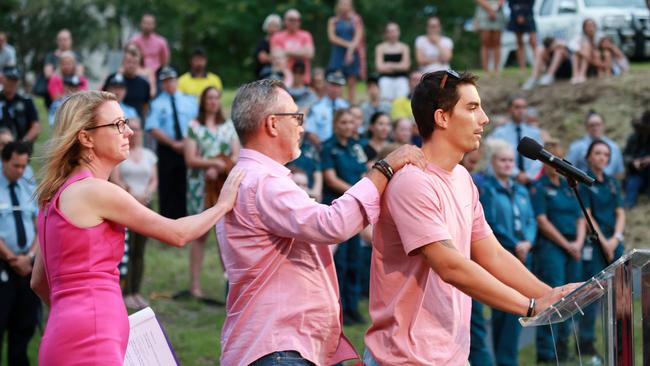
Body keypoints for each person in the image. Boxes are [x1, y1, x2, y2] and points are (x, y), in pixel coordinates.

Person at [363, 70, 578, 365]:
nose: (485, 118)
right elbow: (449, 265)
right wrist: (529, 306)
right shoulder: (413, 182)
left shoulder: (463, 178)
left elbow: (492, 254)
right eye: (473, 108)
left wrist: (552, 296)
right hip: (405, 356)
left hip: (450, 354)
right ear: (442, 118)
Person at [217, 79, 425, 365]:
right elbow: (332, 225)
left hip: (284, 346)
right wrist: (384, 169)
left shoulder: (257, 177)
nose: (302, 127)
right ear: (272, 124)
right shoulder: (263, 182)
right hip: (278, 348)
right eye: (297, 117)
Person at [29, 90, 243, 365]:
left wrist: (77, 313)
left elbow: (38, 282)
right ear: (86, 138)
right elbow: (177, 234)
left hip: (63, 333)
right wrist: (222, 205)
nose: (129, 131)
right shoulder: (96, 191)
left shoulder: (54, 196)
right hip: (93, 337)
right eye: (118, 124)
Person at [480, 140, 537, 366]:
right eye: (502, 160)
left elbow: (531, 219)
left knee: (521, 311)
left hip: (525, 254)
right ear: (492, 162)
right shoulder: (488, 190)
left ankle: (510, 359)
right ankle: (504, 360)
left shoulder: (521, 189)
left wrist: (528, 242)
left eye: (510, 161)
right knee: (504, 312)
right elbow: (491, 223)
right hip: (503, 255)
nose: (507, 165)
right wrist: (515, 244)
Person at [530, 139, 585, 362]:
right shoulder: (540, 187)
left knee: (573, 297)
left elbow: (581, 216)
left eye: (557, 159)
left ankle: (565, 348)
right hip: (553, 248)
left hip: (574, 247)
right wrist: (567, 244)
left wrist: (579, 243)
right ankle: (547, 353)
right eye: (550, 159)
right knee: (552, 297)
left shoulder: (568, 186)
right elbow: (542, 221)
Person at [182, 86, 239, 301]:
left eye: (216, 98)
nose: (213, 101)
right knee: (199, 235)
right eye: (209, 98)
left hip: (223, 184)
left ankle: (230, 285)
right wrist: (212, 163)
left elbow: (235, 155)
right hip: (200, 186)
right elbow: (190, 158)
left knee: (225, 235)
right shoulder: (193, 127)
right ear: (203, 101)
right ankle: (195, 285)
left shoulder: (228, 126)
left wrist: (221, 167)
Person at [578, 139, 625, 360]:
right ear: (589, 156)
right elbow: (587, 214)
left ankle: (620, 336)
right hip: (596, 244)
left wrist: (615, 238)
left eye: (606, 154)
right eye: (597, 153)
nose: (602, 158)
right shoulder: (584, 181)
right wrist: (603, 241)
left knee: (620, 290)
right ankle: (587, 340)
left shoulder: (613, 183)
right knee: (594, 291)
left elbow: (620, 213)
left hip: (614, 242)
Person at [321, 109, 369, 324]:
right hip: (337, 209)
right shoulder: (328, 148)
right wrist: (355, 192)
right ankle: (338, 309)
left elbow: (364, 172)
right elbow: (330, 179)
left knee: (354, 259)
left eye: (351, 122)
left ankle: (352, 307)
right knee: (339, 262)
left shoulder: (355, 147)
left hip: (356, 211)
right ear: (335, 124)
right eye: (343, 122)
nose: (348, 126)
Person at [109, 117, 157, 310]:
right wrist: (131, 196)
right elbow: (116, 180)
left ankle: (135, 290)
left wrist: (148, 193)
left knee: (140, 251)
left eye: (138, 129)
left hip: (145, 205)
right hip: (126, 205)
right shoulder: (119, 153)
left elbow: (154, 179)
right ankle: (125, 291)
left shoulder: (149, 154)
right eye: (132, 128)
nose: (135, 132)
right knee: (125, 249)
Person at [0, 141, 40, 366]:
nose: (20, 171)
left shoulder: (27, 185)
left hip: (27, 265)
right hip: (5, 266)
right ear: (4, 161)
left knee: (23, 326)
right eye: (16, 166)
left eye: (24, 166)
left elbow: (38, 224)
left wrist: (30, 256)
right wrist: (12, 258)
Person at [146, 66, 197, 219]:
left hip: (188, 146)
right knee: (167, 184)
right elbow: (152, 127)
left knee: (184, 183)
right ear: (161, 84)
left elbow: (195, 122)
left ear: (176, 81)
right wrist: (173, 143)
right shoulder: (156, 104)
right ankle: (167, 219)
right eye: (165, 81)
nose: (169, 84)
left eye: (172, 80)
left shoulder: (189, 100)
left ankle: (184, 217)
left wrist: (187, 143)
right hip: (167, 147)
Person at [460, 148, 493, 366]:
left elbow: (494, 253)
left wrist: (541, 296)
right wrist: (529, 305)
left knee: (476, 325)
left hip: (471, 261)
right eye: (470, 161)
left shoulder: (466, 182)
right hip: (460, 267)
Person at [488, 94, 543, 184]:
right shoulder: (500, 133)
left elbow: (539, 158)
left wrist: (528, 176)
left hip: (532, 181)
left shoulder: (535, 133)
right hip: (507, 180)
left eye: (524, 107)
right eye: (517, 107)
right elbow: (496, 157)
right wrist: (517, 174)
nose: (521, 111)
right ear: (509, 110)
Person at [566, 110, 625, 179]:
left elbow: (619, 172)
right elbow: (568, 169)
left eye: (598, 124)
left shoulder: (614, 147)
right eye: (592, 125)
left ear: (603, 126)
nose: (595, 128)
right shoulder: (576, 147)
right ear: (586, 127)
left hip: (609, 185)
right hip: (586, 185)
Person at [103, 44, 152, 121]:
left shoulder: (144, 84)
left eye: (135, 62)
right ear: (123, 62)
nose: (131, 65)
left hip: (135, 124)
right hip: (114, 120)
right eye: (128, 62)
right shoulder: (112, 79)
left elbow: (146, 106)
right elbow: (103, 98)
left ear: (139, 64)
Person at [327, 0, 363, 104]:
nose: (344, 6)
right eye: (342, 4)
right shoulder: (333, 20)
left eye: (347, 4)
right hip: (338, 54)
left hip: (352, 54)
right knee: (337, 81)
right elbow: (332, 37)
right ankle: (338, 104)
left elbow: (358, 36)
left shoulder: (355, 20)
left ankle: (351, 105)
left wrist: (350, 51)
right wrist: (348, 45)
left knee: (351, 83)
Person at [305, 71, 349, 148]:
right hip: (323, 147)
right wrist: (323, 148)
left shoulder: (346, 106)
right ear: (326, 85)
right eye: (333, 85)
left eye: (338, 86)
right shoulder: (316, 107)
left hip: (344, 147)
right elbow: (310, 131)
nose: (335, 89)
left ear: (342, 88)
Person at [270, 9, 315, 83]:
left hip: (302, 80)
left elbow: (310, 53)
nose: (294, 22)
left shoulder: (306, 35)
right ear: (285, 21)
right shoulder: (277, 36)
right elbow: (276, 55)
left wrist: (286, 52)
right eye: (291, 20)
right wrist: (301, 51)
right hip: (282, 80)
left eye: (297, 20)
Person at [0, 67, 40, 144]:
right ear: (2, 79)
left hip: (21, 144)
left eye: (14, 80)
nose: (11, 83)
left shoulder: (26, 101)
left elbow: (36, 126)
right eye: (9, 79)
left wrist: (24, 142)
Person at [375, 22, 411, 102]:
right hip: (385, 79)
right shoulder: (380, 47)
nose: (392, 34)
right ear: (386, 33)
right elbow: (379, 67)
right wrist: (399, 66)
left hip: (401, 79)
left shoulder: (404, 47)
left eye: (394, 31)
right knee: (385, 100)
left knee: (402, 100)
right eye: (389, 31)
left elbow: (406, 66)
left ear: (398, 32)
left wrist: (389, 65)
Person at [623, 111, 650, 208]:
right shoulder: (633, 138)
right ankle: (629, 205)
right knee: (632, 182)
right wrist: (633, 162)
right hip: (636, 173)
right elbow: (625, 155)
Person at [475, 0, 506, 76]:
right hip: (483, 12)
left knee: (497, 43)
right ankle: (486, 71)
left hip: (498, 13)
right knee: (485, 43)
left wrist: (494, 9)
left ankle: (496, 70)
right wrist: (490, 9)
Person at [571, 18, 606, 84]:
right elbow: (571, 45)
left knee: (589, 49)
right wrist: (582, 52)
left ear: (595, 27)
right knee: (576, 54)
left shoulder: (601, 36)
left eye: (592, 26)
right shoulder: (580, 37)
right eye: (588, 26)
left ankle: (581, 74)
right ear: (584, 29)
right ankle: (576, 75)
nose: (590, 28)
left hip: (596, 58)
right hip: (585, 58)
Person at [507, 0, 537, 71]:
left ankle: (538, 64)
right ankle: (522, 67)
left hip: (528, 15)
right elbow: (511, 4)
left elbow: (531, 3)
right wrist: (518, 15)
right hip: (515, 16)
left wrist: (523, 15)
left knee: (533, 42)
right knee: (519, 42)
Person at [255, 14, 282, 79]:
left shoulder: (282, 42)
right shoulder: (263, 42)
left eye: (276, 26)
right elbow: (262, 58)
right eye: (271, 25)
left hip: (282, 70)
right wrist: (277, 59)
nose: (273, 28)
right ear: (266, 27)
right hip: (266, 71)